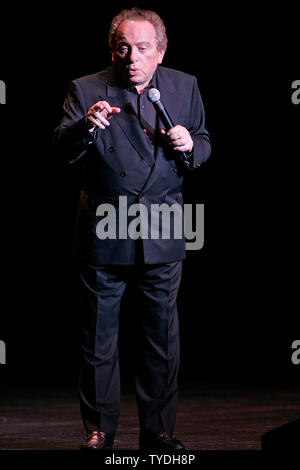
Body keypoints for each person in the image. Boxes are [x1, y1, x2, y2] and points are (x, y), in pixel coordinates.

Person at [53, 7, 211, 451]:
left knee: (161, 339)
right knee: (99, 339)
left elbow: (203, 141)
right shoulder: (85, 89)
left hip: (163, 225)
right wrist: (86, 127)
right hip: (105, 229)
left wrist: (190, 144)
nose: (132, 57)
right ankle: (99, 432)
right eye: (123, 47)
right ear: (112, 50)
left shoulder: (185, 86)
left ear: (161, 52)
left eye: (143, 48)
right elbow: (60, 150)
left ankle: (158, 433)